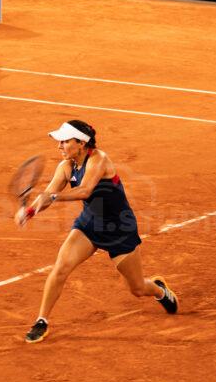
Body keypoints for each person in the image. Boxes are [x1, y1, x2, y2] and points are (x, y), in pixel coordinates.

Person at [15, 120, 179, 343]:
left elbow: (84, 191)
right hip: (90, 224)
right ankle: (41, 320)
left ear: (81, 143)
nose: (59, 146)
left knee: (138, 288)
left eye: (65, 141)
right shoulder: (65, 167)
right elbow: (48, 195)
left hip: (119, 229)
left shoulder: (99, 159)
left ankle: (159, 290)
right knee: (61, 268)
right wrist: (30, 211)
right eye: (59, 142)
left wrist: (52, 196)